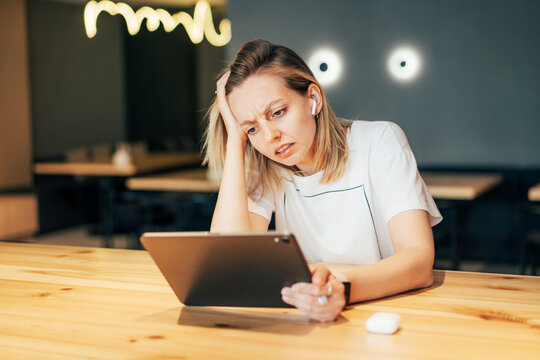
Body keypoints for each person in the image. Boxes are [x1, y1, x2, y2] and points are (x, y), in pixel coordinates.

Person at [203, 39, 442, 322]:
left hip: (385, 312)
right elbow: (229, 263)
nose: (269, 137)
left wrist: (341, 289)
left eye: (278, 112)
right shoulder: (266, 165)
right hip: (306, 317)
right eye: (253, 129)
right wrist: (235, 138)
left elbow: (419, 263)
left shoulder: (379, 141)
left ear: (313, 99)